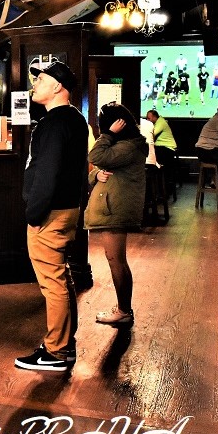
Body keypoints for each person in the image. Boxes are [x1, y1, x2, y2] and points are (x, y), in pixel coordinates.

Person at [16, 61, 87, 372]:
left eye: (41, 79)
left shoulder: (54, 123)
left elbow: (48, 172)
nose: (35, 84)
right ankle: (64, 345)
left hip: (50, 212)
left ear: (58, 86)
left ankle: (56, 352)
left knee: (52, 283)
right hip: (68, 208)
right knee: (62, 277)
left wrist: (34, 212)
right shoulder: (75, 119)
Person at [86, 103, 148, 327]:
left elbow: (95, 155)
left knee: (116, 261)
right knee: (116, 260)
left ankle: (123, 311)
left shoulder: (128, 147)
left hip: (115, 210)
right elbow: (99, 166)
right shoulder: (125, 146)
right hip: (112, 207)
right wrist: (96, 175)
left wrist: (108, 134)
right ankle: (123, 309)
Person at [146, 109, 178, 177]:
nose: (147, 120)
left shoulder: (160, 122)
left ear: (154, 117)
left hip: (168, 148)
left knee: (148, 152)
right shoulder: (157, 123)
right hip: (162, 147)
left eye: (149, 118)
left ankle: (152, 173)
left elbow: (151, 134)